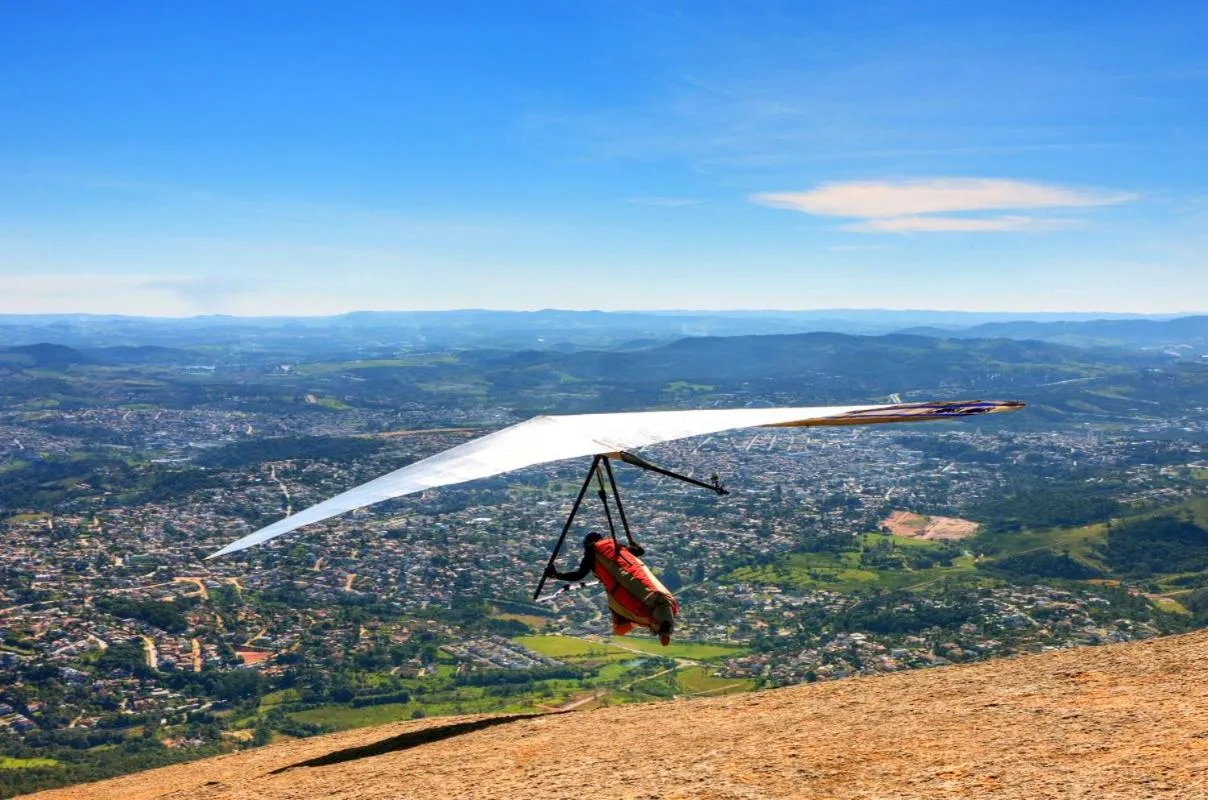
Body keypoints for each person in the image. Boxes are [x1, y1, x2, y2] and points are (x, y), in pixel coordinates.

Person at [545, 532, 678, 646]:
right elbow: (640, 552)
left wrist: (556, 575)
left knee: (624, 615)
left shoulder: (592, 554)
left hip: (623, 588)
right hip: (652, 589)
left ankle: (661, 626)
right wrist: (635, 546)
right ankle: (663, 626)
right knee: (655, 598)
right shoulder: (617, 546)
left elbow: (578, 575)